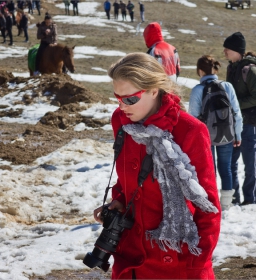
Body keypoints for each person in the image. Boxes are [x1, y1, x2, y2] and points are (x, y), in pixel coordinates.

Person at [93, 52, 221, 279]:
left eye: (130, 98)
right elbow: (126, 181)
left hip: (178, 263)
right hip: (131, 260)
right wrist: (119, 201)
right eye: (117, 97)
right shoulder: (122, 122)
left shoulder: (189, 131)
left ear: (154, 90)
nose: (122, 106)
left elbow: (207, 205)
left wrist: (197, 263)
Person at [189, 55, 243, 210]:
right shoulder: (228, 86)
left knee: (208, 169)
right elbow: (236, 113)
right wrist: (237, 135)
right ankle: (226, 204)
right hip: (226, 134)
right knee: (225, 168)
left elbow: (193, 118)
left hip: (205, 136)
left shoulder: (198, 90)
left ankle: (210, 202)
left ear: (200, 70)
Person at [223, 32, 256, 205]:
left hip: (249, 124)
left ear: (236, 50)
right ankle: (234, 198)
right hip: (233, 124)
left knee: (250, 165)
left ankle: (250, 199)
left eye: (227, 48)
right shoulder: (231, 68)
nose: (224, 52)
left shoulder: (249, 70)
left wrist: (236, 105)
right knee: (231, 162)